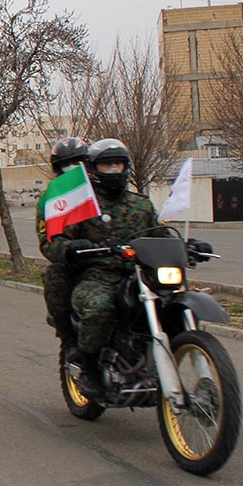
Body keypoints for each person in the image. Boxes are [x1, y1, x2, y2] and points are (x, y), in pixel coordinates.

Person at [44, 138, 165, 398]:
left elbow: (161, 235)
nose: (113, 170)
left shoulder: (141, 204)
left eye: (117, 164)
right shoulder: (80, 205)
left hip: (140, 275)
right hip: (98, 276)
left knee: (174, 301)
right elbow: (56, 240)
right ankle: (88, 368)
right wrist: (71, 247)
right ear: (93, 169)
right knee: (99, 307)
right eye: (106, 165)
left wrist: (188, 245)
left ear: (126, 167)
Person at [36, 137, 89, 353]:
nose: (73, 169)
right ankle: (70, 342)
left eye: (79, 163)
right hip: (80, 263)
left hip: (117, 262)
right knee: (55, 277)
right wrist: (69, 249)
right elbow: (48, 241)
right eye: (67, 165)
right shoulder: (52, 200)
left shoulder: (102, 193)